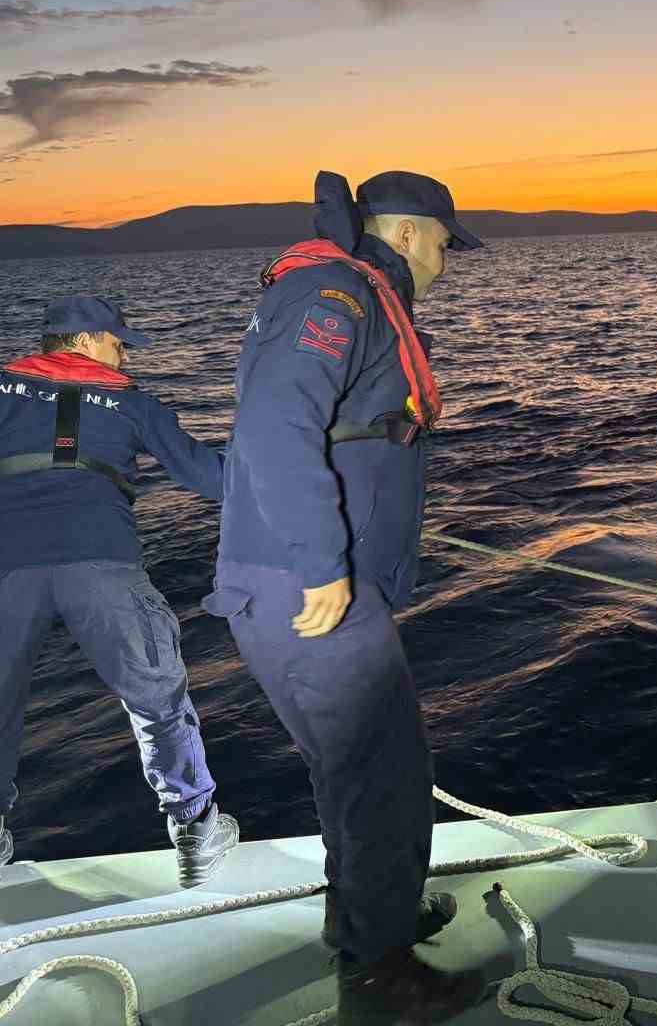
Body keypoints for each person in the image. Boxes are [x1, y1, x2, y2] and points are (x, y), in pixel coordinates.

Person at [204, 171, 486, 1021]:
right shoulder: (335, 295)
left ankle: (367, 917)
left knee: (352, 769)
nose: (448, 259)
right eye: (443, 241)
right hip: (308, 586)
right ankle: (381, 976)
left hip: (294, 577)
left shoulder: (346, 293)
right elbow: (272, 429)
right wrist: (325, 561)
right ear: (405, 234)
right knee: (388, 775)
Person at [0, 296, 238, 895]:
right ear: (87, 340)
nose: (126, 357)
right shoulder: (133, 402)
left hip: (0, 565)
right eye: (120, 344)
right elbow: (211, 478)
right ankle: (195, 832)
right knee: (155, 696)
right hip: (102, 562)